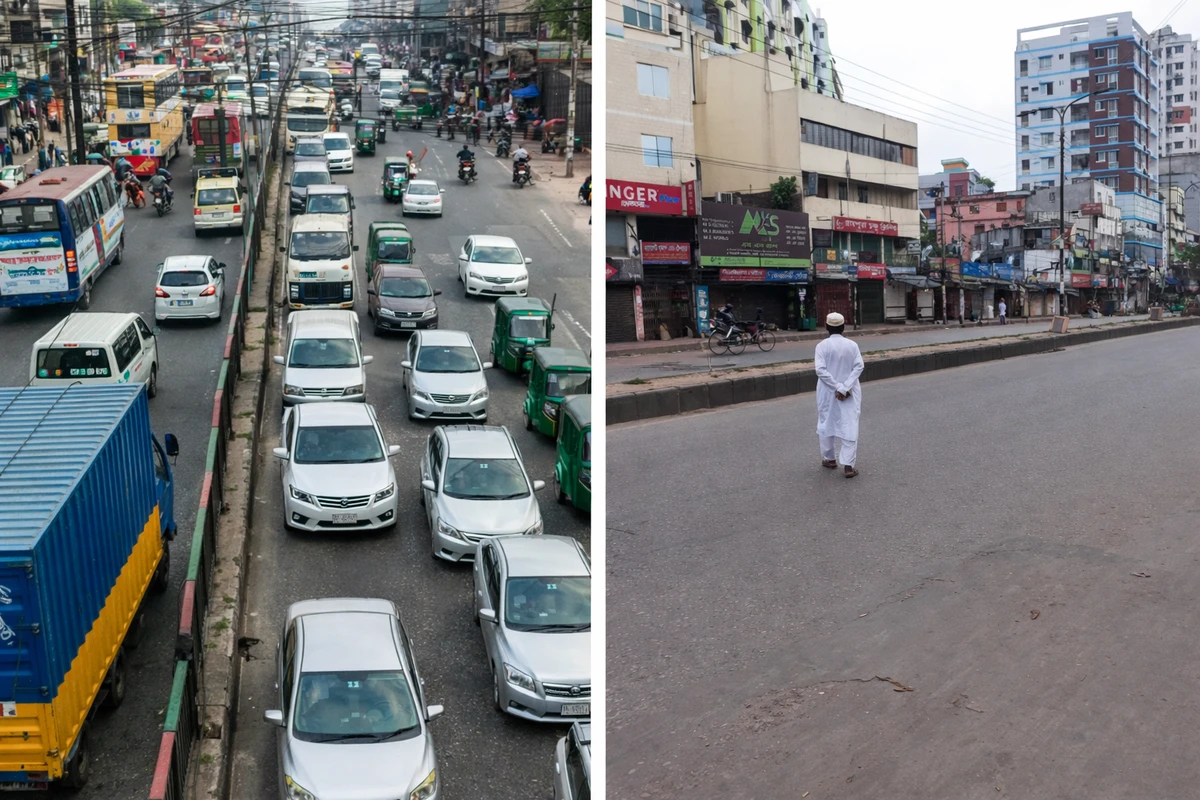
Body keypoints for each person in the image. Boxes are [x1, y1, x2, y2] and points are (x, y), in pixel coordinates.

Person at [814, 312, 864, 479]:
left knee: (826, 422)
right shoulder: (852, 345)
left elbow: (820, 370)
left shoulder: (821, 346)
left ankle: (830, 459)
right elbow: (859, 367)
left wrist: (837, 387)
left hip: (828, 392)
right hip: (849, 392)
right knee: (849, 423)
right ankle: (848, 466)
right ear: (843, 327)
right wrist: (845, 388)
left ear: (827, 327)